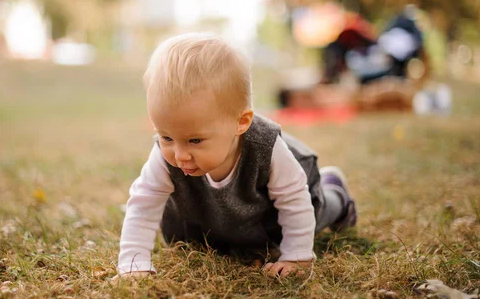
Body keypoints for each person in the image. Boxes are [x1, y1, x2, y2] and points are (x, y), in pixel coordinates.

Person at [117, 33, 357, 278]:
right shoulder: (167, 153)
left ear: (240, 123)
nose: (180, 156)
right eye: (166, 137)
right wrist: (134, 265)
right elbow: (143, 204)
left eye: (195, 140)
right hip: (213, 221)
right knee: (206, 239)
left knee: (315, 214)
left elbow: (294, 200)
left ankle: (336, 193)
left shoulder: (266, 147)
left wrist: (296, 257)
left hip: (272, 216)